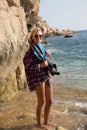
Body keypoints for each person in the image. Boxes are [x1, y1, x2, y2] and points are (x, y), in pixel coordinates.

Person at [23, 27, 53, 128]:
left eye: (40, 36)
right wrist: (40, 66)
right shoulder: (29, 53)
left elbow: (47, 61)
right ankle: (39, 124)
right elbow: (27, 67)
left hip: (46, 75)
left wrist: (48, 54)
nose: (39, 38)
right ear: (32, 37)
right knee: (41, 102)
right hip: (37, 77)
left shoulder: (41, 48)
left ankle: (46, 121)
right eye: (36, 36)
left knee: (50, 101)